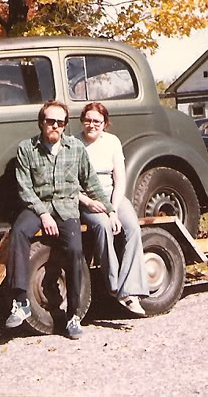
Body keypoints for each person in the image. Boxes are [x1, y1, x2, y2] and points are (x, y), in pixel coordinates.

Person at [5, 100, 116, 339]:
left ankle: (74, 315)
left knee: (75, 250)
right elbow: (25, 188)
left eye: (60, 122)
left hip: (67, 208)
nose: (55, 126)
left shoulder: (76, 148)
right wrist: (43, 214)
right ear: (41, 122)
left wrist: (110, 210)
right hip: (38, 207)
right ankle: (21, 302)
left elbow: (91, 182)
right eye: (50, 121)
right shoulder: (26, 149)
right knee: (19, 233)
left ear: (65, 125)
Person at [76, 102, 149, 316]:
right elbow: (70, 183)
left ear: (105, 124)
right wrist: (90, 203)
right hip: (88, 199)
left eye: (97, 121)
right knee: (103, 226)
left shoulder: (112, 142)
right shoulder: (73, 143)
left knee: (133, 228)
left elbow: (119, 180)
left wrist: (114, 209)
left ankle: (131, 292)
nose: (92, 125)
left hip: (112, 197)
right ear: (82, 121)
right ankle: (113, 284)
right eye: (88, 120)